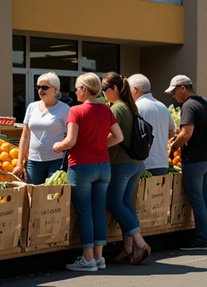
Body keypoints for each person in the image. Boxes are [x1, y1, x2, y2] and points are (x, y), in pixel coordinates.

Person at [53, 72, 124, 272]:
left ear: (84, 89)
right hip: (103, 166)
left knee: (84, 213)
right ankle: (99, 258)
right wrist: (100, 146)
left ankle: (87, 259)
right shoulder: (105, 110)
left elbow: (71, 141)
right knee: (98, 212)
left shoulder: (75, 111)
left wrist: (58, 146)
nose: (75, 91)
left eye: (77, 88)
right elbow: (118, 137)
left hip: (81, 166)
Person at [101, 72, 151, 265]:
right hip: (136, 164)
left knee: (113, 203)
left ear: (114, 89)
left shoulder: (116, 109)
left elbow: (112, 137)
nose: (104, 93)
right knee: (126, 204)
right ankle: (128, 248)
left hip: (120, 163)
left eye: (105, 89)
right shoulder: (131, 107)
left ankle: (140, 243)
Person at [166, 75, 207, 250]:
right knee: (206, 198)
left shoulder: (188, 106)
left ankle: (202, 240)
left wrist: (173, 146)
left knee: (197, 199)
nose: (173, 96)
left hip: (194, 159)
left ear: (183, 88)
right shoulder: (204, 102)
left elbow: (186, 133)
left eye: (174, 92)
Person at [13, 72, 70, 183]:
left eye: (45, 87)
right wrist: (19, 163)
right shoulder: (31, 107)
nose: (40, 90)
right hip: (33, 162)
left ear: (55, 90)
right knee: (34, 197)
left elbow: (71, 136)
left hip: (56, 161)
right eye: (38, 87)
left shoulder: (65, 109)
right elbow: (25, 137)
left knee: (51, 197)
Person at [127, 74, 176, 176]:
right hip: (162, 163)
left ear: (135, 90)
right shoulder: (162, 107)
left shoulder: (136, 107)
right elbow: (172, 132)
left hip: (144, 164)